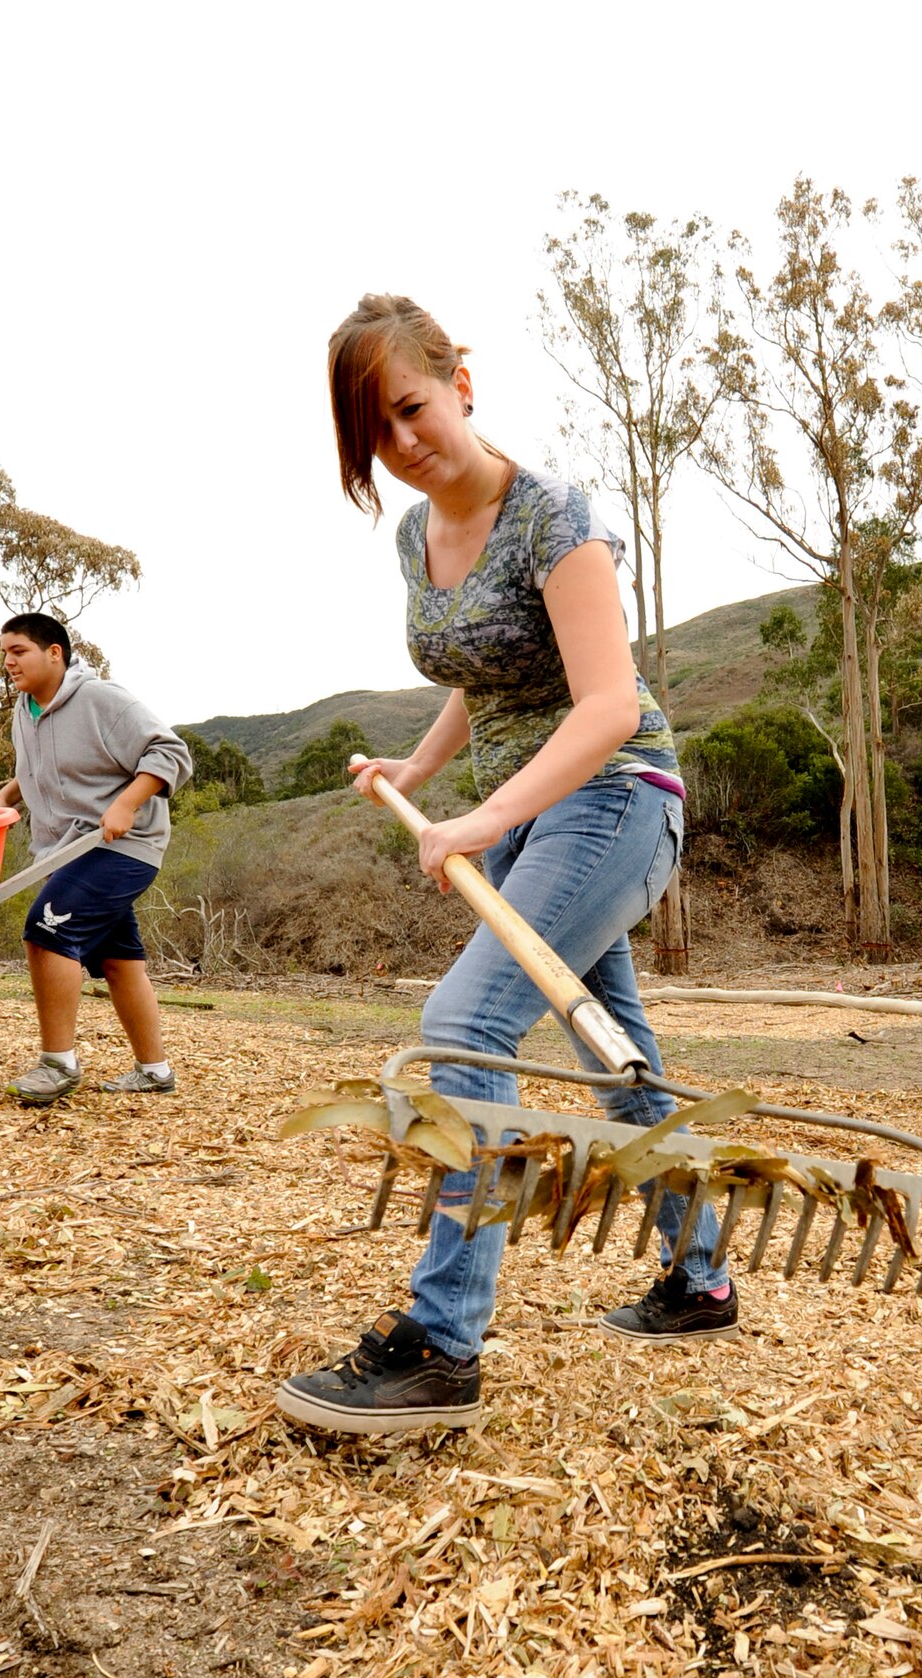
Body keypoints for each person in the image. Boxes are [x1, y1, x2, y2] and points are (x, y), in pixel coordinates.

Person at [276, 295, 738, 1441]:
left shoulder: (554, 518)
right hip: (531, 817)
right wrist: (423, 767)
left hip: (619, 797)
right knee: (615, 1056)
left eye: (412, 408)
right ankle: (703, 1277)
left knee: (462, 1025)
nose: (402, 442)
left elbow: (607, 702)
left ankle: (443, 1344)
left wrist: (477, 817)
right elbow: (481, 673)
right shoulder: (415, 533)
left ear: (461, 380)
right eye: (373, 432)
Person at [0, 613, 193, 1105]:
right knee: (118, 959)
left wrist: (126, 803)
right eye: (4, 653)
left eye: (18, 651)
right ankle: (154, 1071)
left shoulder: (101, 699)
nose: (8, 662)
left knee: (47, 931)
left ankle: (57, 1064)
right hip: (67, 852)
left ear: (54, 653)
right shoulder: (26, 709)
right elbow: (42, 764)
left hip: (122, 845)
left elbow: (170, 751)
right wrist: (9, 796)